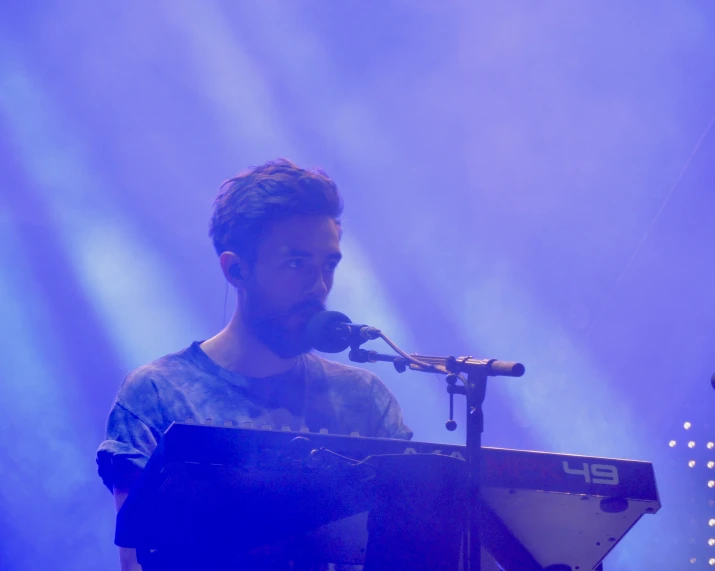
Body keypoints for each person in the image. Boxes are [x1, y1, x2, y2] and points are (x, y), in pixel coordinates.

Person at [96, 158, 413, 570]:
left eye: (328, 265)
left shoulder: (364, 399)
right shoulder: (157, 394)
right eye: (296, 263)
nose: (319, 287)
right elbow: (138, 561)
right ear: (236, 269)